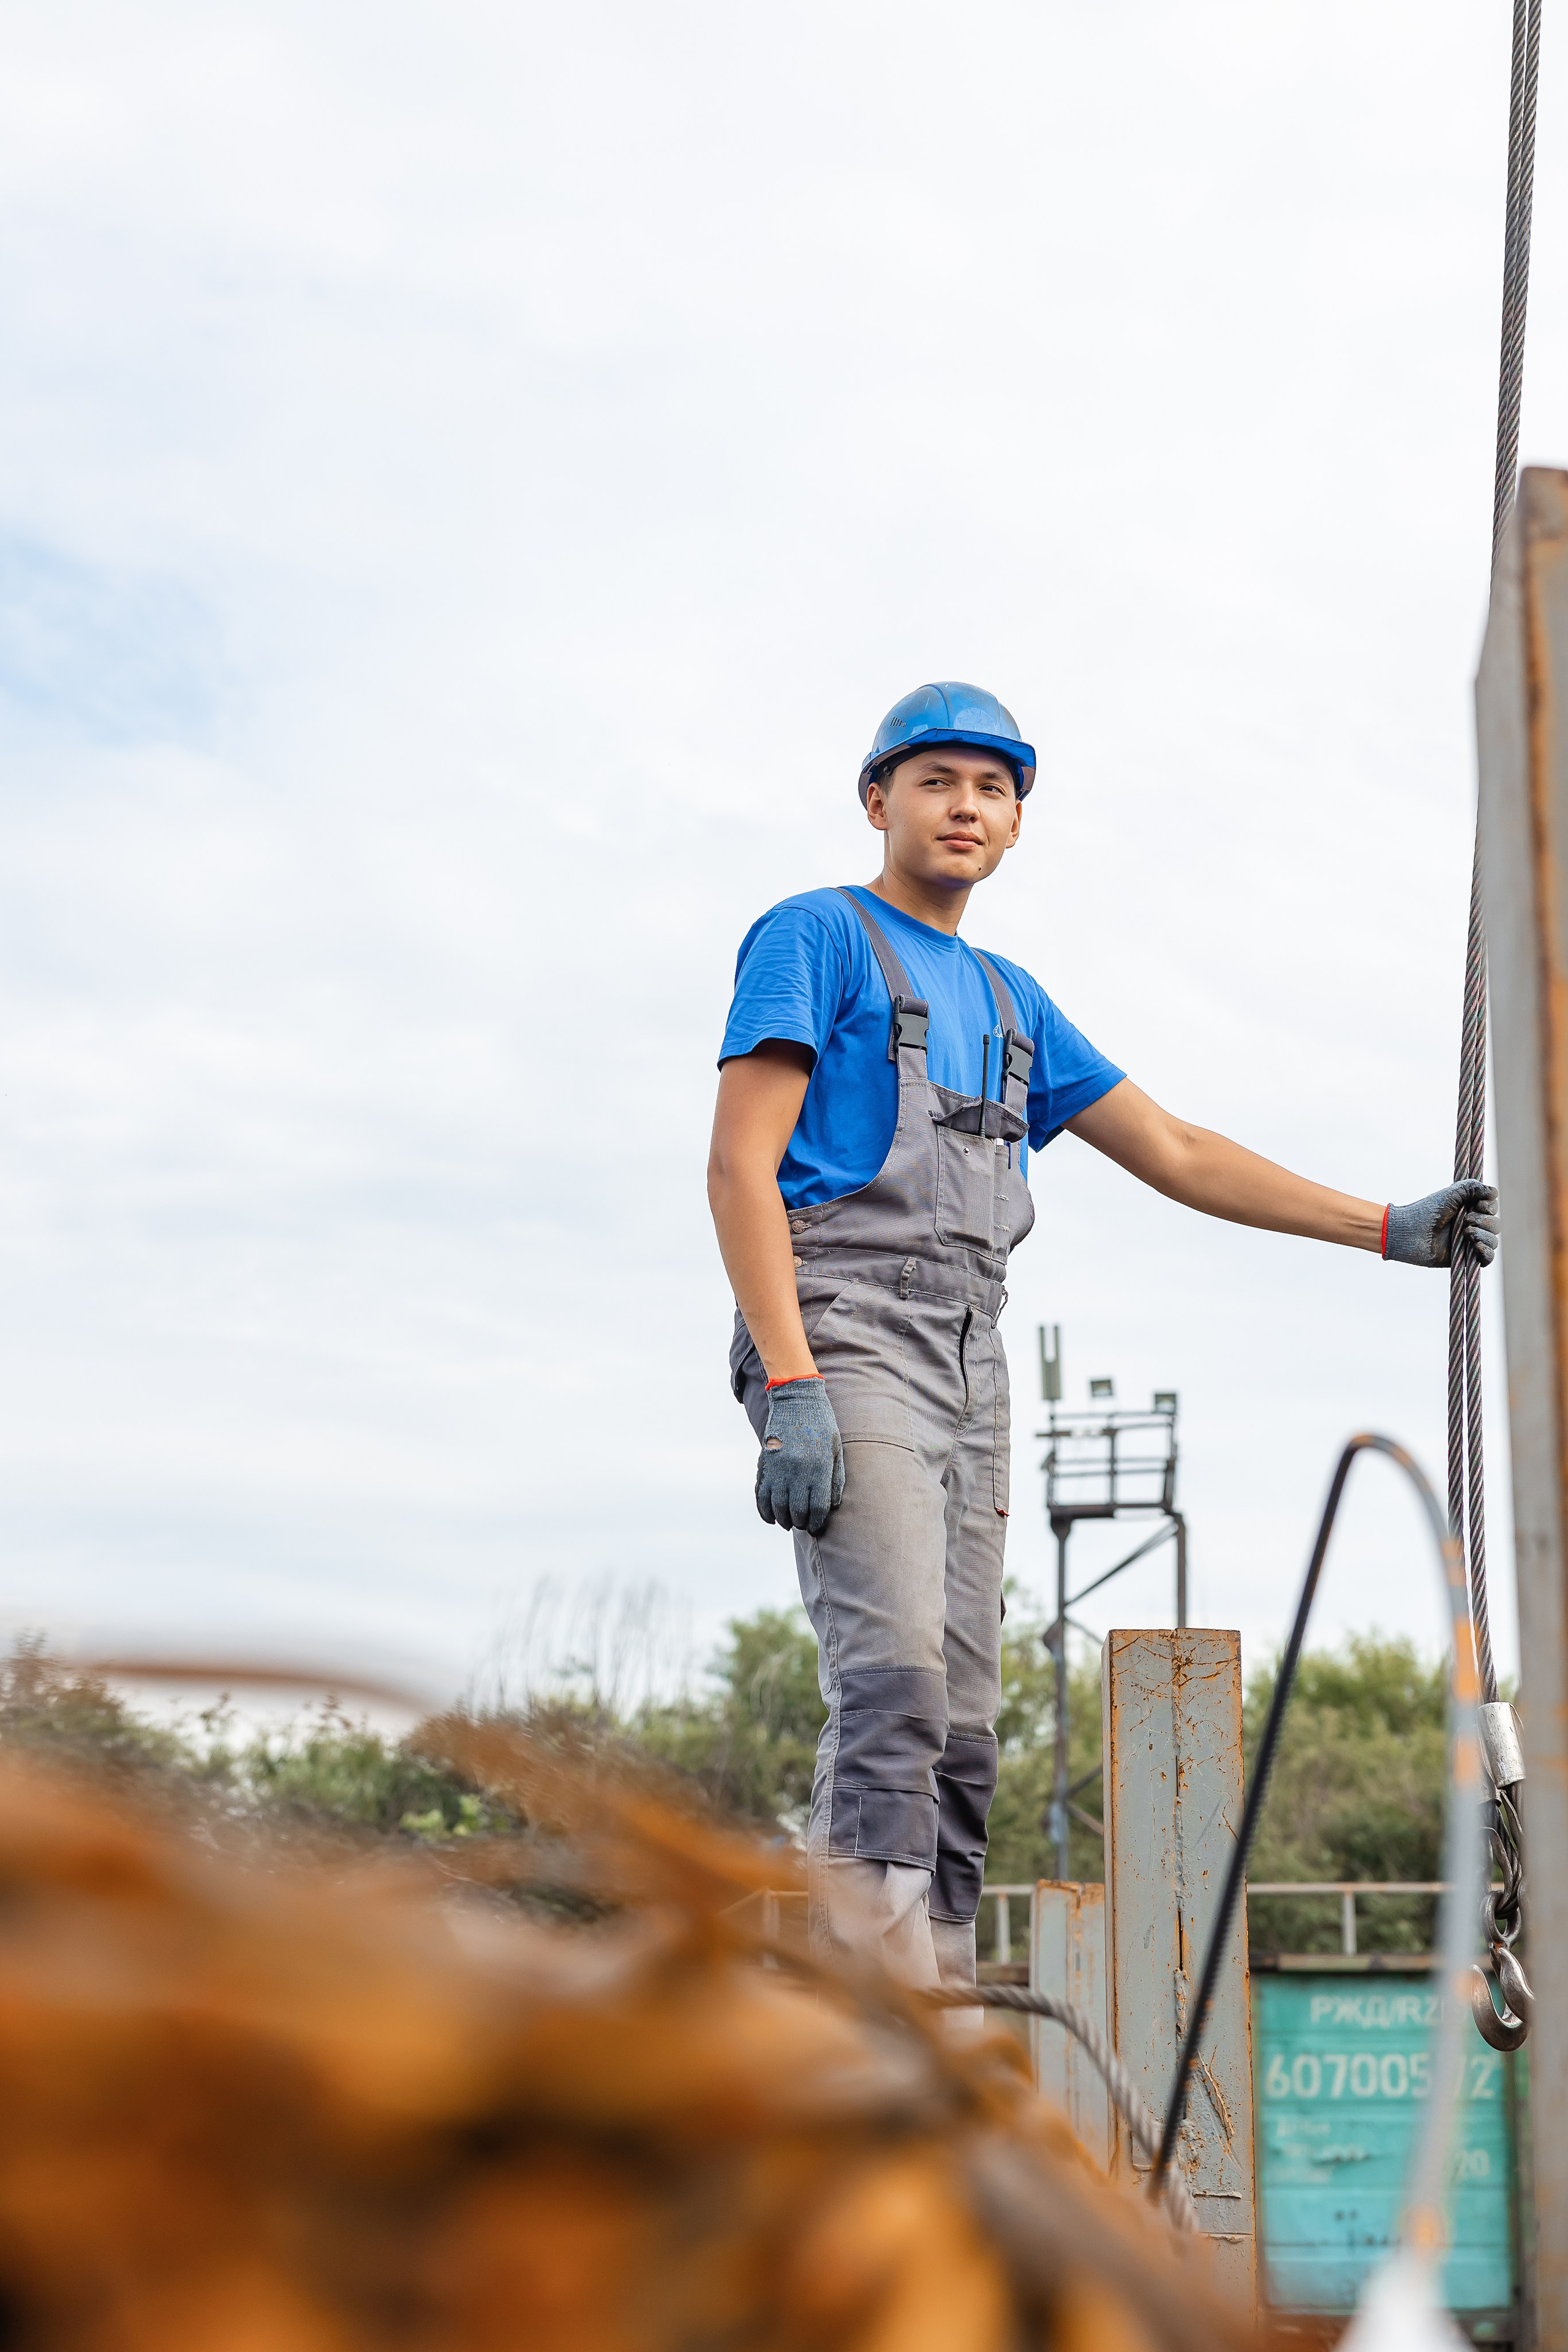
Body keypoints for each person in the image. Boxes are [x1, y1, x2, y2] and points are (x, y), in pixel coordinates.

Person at [706, 680, 1498, 1996]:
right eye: (935, 781)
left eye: (992, 788)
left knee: (966, 1722)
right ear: (877, 800)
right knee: (893, 1683)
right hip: (846, 1325)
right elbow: (741, 1167)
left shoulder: (1012, 1000)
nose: (964, 807)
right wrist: (789, 1376)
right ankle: (870, 2009)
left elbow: (1176, 1151)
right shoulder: (816, 937)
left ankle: (942, 1993)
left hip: (972, 1352)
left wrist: (1384, 1228)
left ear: (1017, 822)